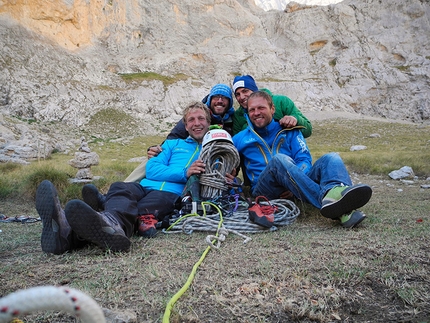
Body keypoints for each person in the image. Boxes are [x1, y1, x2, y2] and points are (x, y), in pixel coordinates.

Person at [36, 101, 212, 254]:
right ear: (185, 125)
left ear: (208, 123)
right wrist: (184, 172)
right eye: (191, 119)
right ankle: (106, 220)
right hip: (144, 185)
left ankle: (67, 235)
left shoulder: (213, 148)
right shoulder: (173, 144)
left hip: (169, 194)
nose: (196, 123)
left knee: (136, 210)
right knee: (120, 187)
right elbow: (152, 169)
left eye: (201, 119)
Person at [233, 91, 372, 228]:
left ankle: (341, 206)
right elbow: (226, 157)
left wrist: (292, 183)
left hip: (296, 182)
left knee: (331, 158)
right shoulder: (240, 138)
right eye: (252, 110)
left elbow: (304, 159)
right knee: (278, 160)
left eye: (261, 108)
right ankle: (330, 198)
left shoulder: (290, 130)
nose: (256, 113)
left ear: (272, 109)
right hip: (264, 190)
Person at [124, 83, 235, 183]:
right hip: (183, 155)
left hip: (209, 160)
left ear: (229, 103)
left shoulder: (232, 121)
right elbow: (172, 139)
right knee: (153, 159)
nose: (220, 100)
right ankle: (128, 184)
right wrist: (157, 149)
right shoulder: (194, 114)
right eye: (216, 97)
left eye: (225, 98)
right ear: (210, 100)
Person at [232, 75, 312, 137]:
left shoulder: (282, 102)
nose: (241, 97)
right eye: (237, 94)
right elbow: (238, 144)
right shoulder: (238, 116)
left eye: (245, 91)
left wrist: (295, 119)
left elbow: (307, 131)